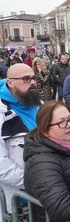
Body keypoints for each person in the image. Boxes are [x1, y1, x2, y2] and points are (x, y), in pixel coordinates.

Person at [0, 63, 41, 215]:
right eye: (26, 79)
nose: (33, 83)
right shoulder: (2, 113)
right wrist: (31, 181)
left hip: (47, 193)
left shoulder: (38, 104)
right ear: (10, 83)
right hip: (20, 202)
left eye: (33, 78)